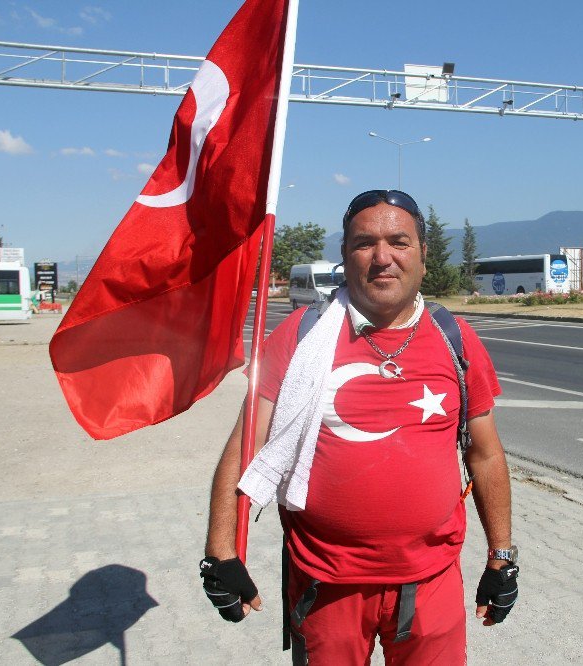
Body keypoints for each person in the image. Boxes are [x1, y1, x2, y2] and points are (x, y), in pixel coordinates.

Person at [201, 189, 519, 664]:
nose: (382, 257)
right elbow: (247, 447)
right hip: (325, 584)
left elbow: (485, 453)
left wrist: (502, 557)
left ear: (423, 256)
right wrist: (219, 552)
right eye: (364, 243)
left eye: (399, 241)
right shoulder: (301, 335)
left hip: (430, 581)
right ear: (345, 256)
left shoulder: (455, 338)